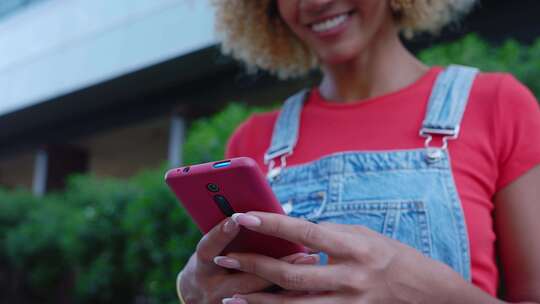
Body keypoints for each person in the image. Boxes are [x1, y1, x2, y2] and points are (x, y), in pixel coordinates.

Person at [178, 0, 540, 303]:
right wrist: (193, 290)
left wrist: (432, 293)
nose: (315, 2)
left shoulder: (495, 105)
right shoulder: (253, 142)